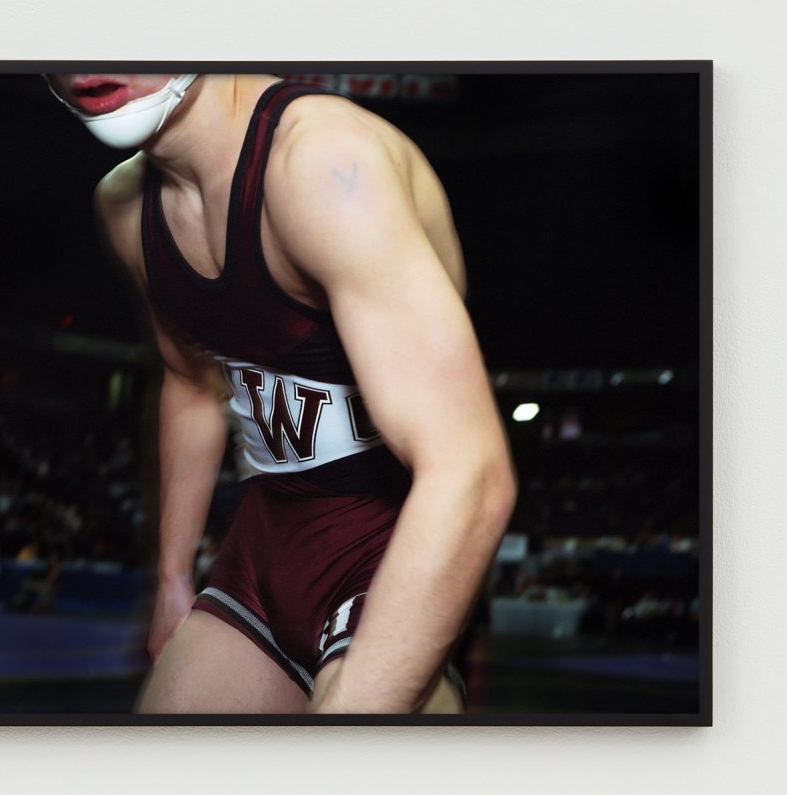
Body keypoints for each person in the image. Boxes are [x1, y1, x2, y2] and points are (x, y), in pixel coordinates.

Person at [47, 73, 517, 714]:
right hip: (265, 542)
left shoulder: (323, 161)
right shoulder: (124, 206)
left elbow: (472, 472)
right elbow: (190, 380)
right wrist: (172, 579)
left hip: (389, 542)